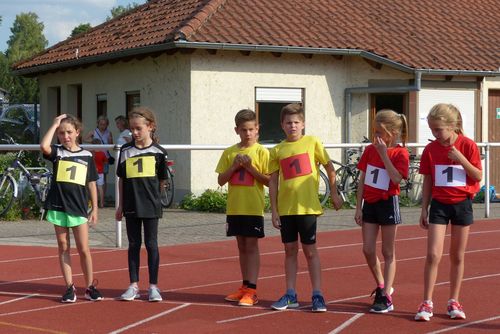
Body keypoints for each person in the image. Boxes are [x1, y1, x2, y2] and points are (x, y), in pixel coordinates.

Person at [268, 103, 343, 312]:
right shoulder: (277, 150)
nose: (292, 126)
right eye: (288, 123)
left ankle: (317, 294)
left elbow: (329, 167)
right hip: (287, 210)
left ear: (303, 124)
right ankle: (290, 293)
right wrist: (274, 210)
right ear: (282, 125)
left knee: (310, 252)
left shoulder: (312, 142)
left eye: (296, 122)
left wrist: (335, 193)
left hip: (308, 208)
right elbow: (273, 181)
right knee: (289, 250)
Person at [415, 103, 482, 321]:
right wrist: (424, 207)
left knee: (457, 255)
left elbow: (478, 176)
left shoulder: (468, 145)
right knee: (433, 254)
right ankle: (427, 301)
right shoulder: (430, 149)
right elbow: (427, 180)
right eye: (432, 129)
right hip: (440, 206)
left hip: (462, 204)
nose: (435, 134)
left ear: (452, 126)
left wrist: (460, 158)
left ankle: (454, 300)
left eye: (439, 129)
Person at [40, 114, 103, 303]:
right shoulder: (58, 152)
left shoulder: (86, 155)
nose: (65, 136)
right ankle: (69, 287)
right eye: (61, 133)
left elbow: (92, 184)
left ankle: (90, 286)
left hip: (79, 208)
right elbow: (44, 146)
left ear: (77, 132)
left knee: (84, 249)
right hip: (58, 206)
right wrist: (54, 124)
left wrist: (95, 209)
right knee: (63, 246)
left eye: (69, 132)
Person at [354, 109, 409, 313]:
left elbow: (396, 179)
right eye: (374, 132)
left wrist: (384, 154)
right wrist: (358, 206)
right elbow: (362, 179)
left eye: (379, 132)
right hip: (370, 202)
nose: (375, 136)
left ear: (392, 133)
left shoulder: (400, 152)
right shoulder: (369, 150)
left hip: (388, 203)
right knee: (367, 249)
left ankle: (386, 297)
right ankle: (382, 284)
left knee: (388, 251)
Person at [215, 109, 270, 307]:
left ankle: (253, 290)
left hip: (253, 207)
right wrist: (234, 167)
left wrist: (249, 168)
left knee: (252, 246)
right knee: (241, 246)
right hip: (235, 208)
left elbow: (268, 180)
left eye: (251, 129)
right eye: (244, 130)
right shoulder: (230, 152)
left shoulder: (262, 152)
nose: (248, 133)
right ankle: (245, 286)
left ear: (257, 130)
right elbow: (221, 180)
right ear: (237, 130)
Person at [115, 106, 167, 302]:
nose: (134, 133)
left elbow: (162, 180)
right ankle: (133, 285)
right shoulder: (126, 151)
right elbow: (122, 179)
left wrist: (156, 200)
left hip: (151, 205)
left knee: (152, 244)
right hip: (131, 204)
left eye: (138, 129)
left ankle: (153, 286)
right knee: (133, 244)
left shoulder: (159, 152)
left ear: (150, 127)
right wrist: (120, 206)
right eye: (132, 129)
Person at [91, 138, 108, 208]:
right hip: (100, 172)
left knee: (92, 187)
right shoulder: (102, 153)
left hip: (92, 172)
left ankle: (93, 204)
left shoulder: (91, 153)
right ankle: (101, 203)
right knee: (100, 188)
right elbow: (106, 162)